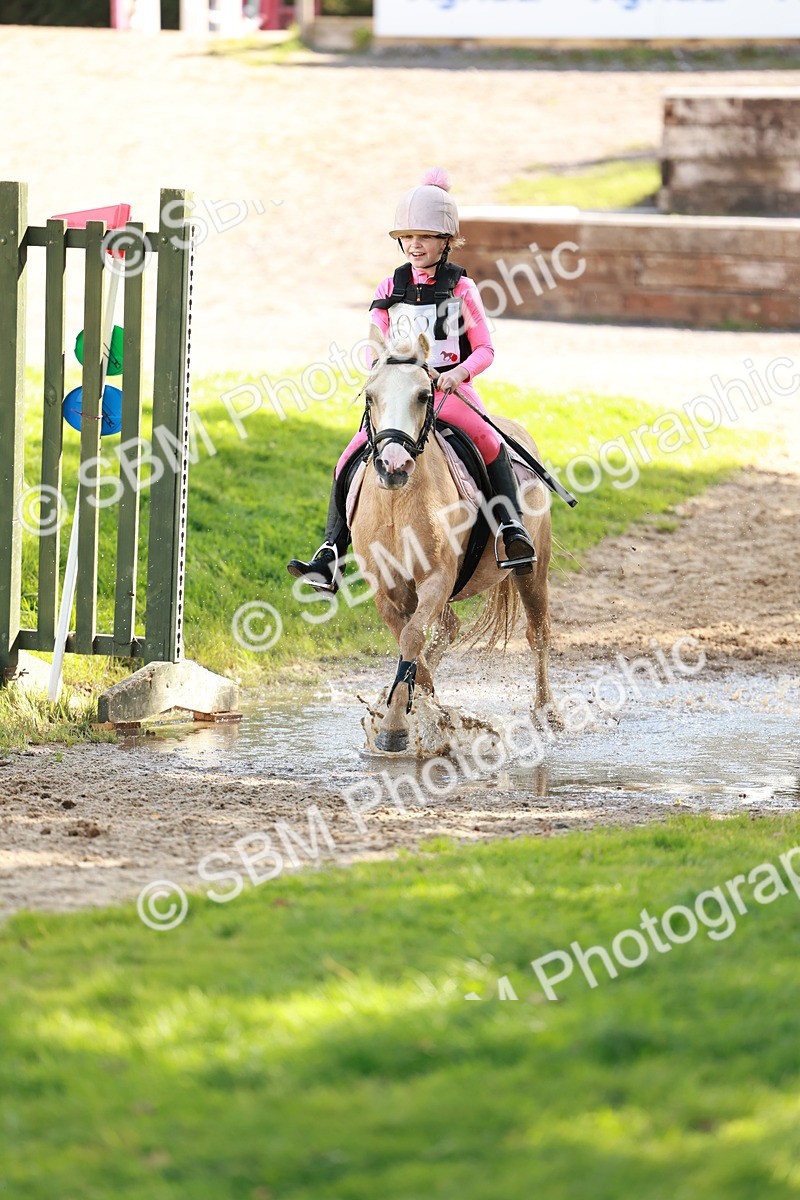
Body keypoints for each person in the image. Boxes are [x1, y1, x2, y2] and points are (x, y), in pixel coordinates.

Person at [287, 167, 536, 595]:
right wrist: (382, 369)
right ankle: (330, 552)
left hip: (449, 391)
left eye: (424, 237)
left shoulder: (462, 288)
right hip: (400, 392)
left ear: (446, 241)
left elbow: (485, 350)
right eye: (408, 237)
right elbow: (372, 344)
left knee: (489, 441)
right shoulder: (389, 285)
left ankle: (511, 527)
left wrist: (457, 374)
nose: (414, 246)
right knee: (348, 456)